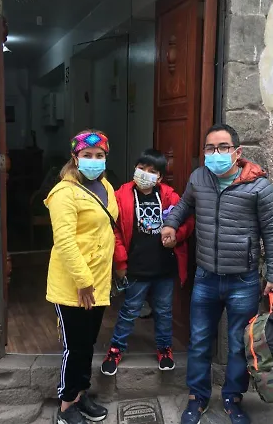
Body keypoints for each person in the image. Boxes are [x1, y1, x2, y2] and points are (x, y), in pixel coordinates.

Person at [161, 124, 273, 424]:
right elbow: (184, 205)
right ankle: (198, 397)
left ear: (237, 152)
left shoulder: (259, 187)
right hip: (206, 276)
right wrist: (171, 224)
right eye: (210, 148)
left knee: (238, 344)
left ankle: (232, 397)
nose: (215, 153)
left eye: (223, 147)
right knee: (199, 340)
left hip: (243, 280)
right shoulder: (198, 178)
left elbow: (272, 233)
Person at [45, 130, 118, 424]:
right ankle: (65, 406)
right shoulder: (64, 193)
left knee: (88, 343)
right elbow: (64, 241)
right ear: (75, 158)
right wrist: (84, 282)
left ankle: (80, 394)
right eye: (87, 155)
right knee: (74, 347)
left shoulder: (106, 186)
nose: (93, 160)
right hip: (73, 285)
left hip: (98, 282)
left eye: (99, 155)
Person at [101, 149, 194, 376]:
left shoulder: (170, 196)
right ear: (135, 168)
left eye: (152, 171)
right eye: (141, 168)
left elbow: (187, 220)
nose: (145, 174)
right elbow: (114, 231)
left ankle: (164, 349)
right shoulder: (121, 195)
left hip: (164, 268)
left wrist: (177, 236)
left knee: (164, 311)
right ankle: (115, 350)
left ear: (160, 177)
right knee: (129, 310)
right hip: (136, 268)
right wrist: (120, 263)